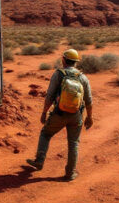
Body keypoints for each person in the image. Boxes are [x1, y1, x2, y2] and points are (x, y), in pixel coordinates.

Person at [26, 49, 93, 181]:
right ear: (76, 62)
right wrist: (89, 117)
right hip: (76, 115)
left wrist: (44, 112)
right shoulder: (83, 77)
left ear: (63, 60)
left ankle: (39, 161)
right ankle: (70, 174)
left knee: (45, 134)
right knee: (73, 143)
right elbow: (89, 100)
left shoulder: (58, 74)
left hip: (59, 114)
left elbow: (50, 96)